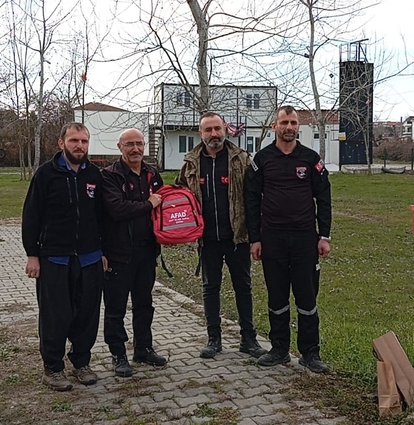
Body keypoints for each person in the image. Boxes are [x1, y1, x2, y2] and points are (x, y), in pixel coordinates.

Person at [245, 106, 332, 373]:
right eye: (284, 122)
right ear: (275, 126)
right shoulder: (261, 159)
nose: (289, 126)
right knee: (277, 296)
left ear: (298, 127)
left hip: (306, 239)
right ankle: (279, 349)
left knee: (307, 297)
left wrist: (324, 236)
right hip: (273, 240)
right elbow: (251, 201)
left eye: (293, 122)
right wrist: (255, 239)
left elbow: (324, 199)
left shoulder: (310, 159)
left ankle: (310, 353)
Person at [22, 122, 108, 391]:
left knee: (86, 315)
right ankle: (53, 368)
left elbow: (102, 217)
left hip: (90, 258)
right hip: (54, 258)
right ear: (62, 143)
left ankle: (81, 362)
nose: (79, 146)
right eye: (74, 141)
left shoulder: (94, 174)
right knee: (55, 315)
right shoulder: (46, 174)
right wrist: (32, 255)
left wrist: (103, 252)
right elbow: (31, 216)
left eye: (84, 141)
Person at [176, 112, 268, 359]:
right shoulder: (191, 163)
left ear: (225, 129)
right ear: (200, 132)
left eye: (217, 128)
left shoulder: (242, 159)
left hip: (237, 237)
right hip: (207, 240)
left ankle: (248, 339)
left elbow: (255, 198)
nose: (213, 134)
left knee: (244, 288)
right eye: (208, 130)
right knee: (210, 288)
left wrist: (256, 234)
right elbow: (180, 196)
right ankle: (213, 338)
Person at [101, 128, 168, 377]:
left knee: (144, 303)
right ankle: (118, 354)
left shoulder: (152, 173)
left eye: (139, 144)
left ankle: (143, 348)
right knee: (115, 307)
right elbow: (117, 209)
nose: (135, 149)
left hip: (147, 251)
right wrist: (149, 204)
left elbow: (163, 208)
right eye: (129, 144)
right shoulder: (109, 176)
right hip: (118, 253)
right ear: (120, 147)